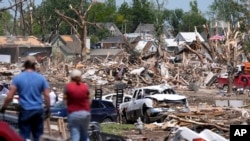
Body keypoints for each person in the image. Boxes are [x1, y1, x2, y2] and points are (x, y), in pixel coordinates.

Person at [0, 55, 50, 141]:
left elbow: (9, 96)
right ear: (34, 65)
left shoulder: (18, 78)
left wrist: (4, 107)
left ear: (25, 65)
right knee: (37, 136)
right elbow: (47, 96)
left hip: (25, 111)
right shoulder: (41, 78)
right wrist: (48, 109)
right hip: (38, 111)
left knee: (24, 136)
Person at [64, 69, 91, 141]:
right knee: (85, 135)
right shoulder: (85, 87)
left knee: (75, 135)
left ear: (71, 77)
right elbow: (89, 101)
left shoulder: (68, 87)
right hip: (85, 113)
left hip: (73, 114)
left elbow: (65, 102)